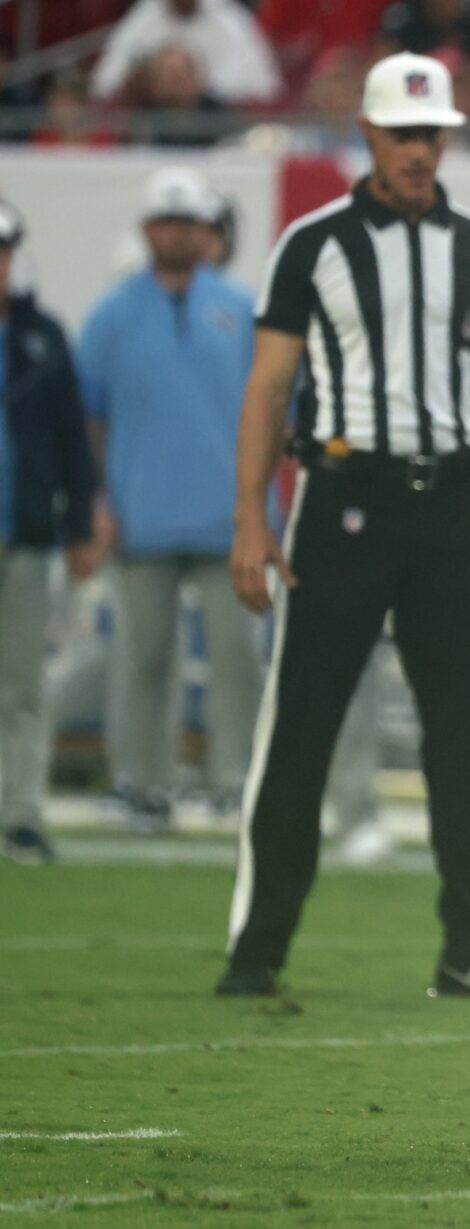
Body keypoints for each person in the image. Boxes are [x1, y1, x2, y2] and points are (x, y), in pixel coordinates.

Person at [220, 53, 470, 998]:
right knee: (301, 731)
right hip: (341, 501)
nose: (420, 151)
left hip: (454, 505)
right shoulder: (313, 244)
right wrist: (251, 516)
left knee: (462, 737)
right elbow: (268, 384)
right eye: (404, 134)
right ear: (368, 136)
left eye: (433, 134)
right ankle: (256, 954)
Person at [77, 167, 261, 830]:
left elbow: (275, 408)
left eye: (191, 223)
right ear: (149, 229)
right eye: (169, 221)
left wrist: (261, 504)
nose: (180, 233)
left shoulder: (240, 308)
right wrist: (98, 497)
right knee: (143, 658)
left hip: (229, 519)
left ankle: (235, 783)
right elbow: (89, 415)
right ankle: (141, 782)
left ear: (206, 232)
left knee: (237, 660)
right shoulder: (113, 314)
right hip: (142, 515)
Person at [0, 204, 96, 866]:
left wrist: (80, 523)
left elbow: (72, 439)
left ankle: (20, 814)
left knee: (23, 683)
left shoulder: (42, 336)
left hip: (24, 533)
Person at [90, 0, 282, 105]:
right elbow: (103, 85)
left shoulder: (231, 22)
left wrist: (200, 92)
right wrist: (143, 84)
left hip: (216, 126)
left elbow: (267, 88)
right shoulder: (144, 18)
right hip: (153, 124)